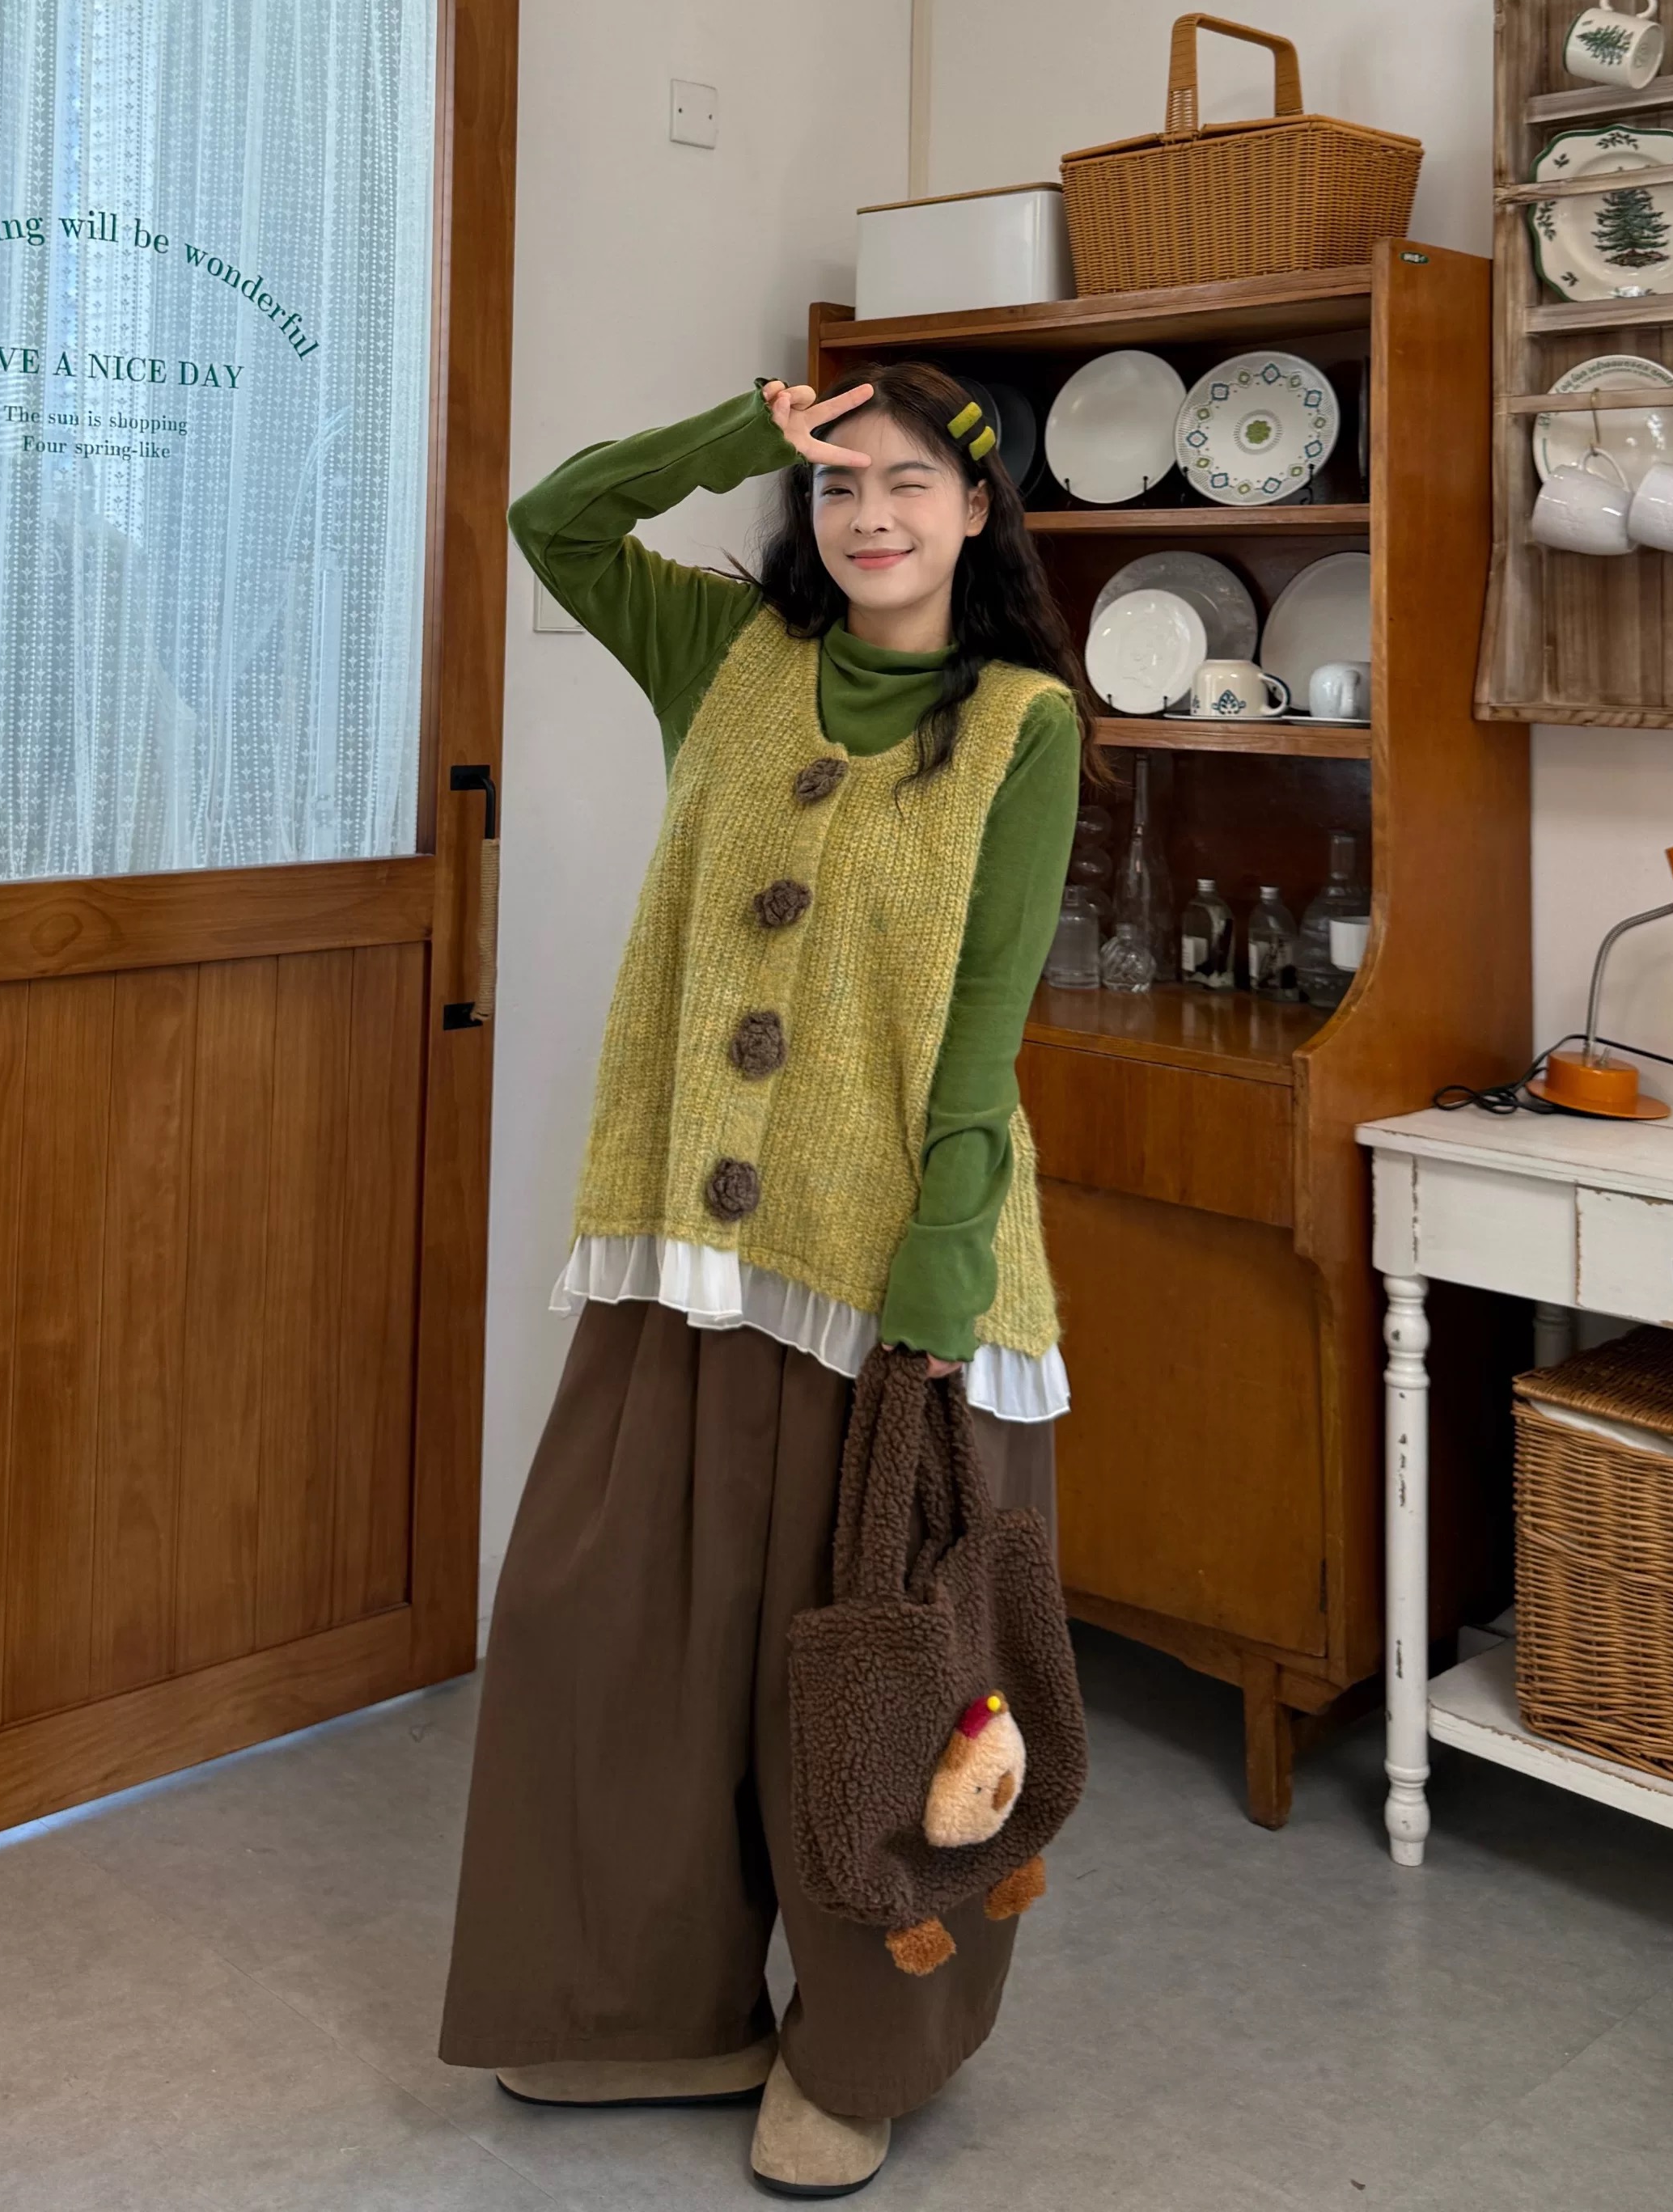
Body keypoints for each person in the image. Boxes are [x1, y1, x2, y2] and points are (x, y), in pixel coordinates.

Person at [439, 362, 1092, 2197]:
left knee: (885, 1680)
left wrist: (939, 1284)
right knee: (609, 1636)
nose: (870, 516)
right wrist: (746, 431)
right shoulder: (722, 655)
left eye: (910, 483)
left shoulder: (1025, 726)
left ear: (978, 510)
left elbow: (988, 1019)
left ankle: (860, 2052)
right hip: (689, 1260)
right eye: (836, 483)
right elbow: (557, 520)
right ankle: (653, 2008)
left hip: (892, 1280)